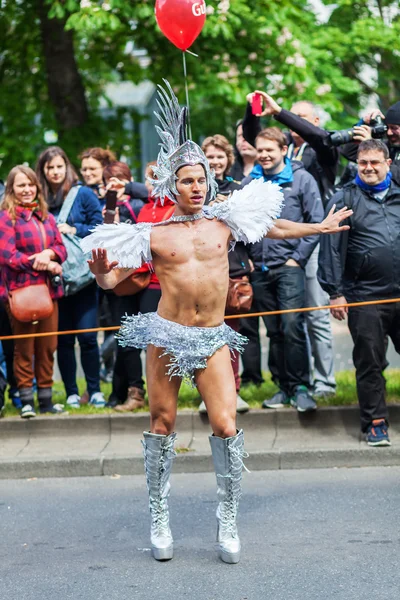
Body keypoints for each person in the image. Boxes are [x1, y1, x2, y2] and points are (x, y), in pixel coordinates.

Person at [82, 82, 351, 565]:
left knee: (226, 425)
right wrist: (102, 271)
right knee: (162, 423)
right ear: (173, 186)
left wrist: (318, 227)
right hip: (165, 334)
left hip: (211, 335)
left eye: (202, 178)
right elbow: (112, 283)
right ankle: (159, 513)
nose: (197, 186)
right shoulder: (152, 232)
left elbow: (273, 226)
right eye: (187, 180)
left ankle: (228, 515)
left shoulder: (226, 219)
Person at [319, 139, 400, 446]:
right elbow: (331, 249)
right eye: (363, 163)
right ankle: (375, 422)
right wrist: (335, 293)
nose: (367, 168)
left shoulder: (398, 195)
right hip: (365, 297)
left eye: (374, 163)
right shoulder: (344, 199)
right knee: (370, 361)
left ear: (387, 164)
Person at [241, 127, 324, 411]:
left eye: (269, 150)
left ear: (283, 150)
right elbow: (240, 225)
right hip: (260, 270)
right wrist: (249, 259)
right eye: (260, 150)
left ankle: (301, 386)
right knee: (273, 331)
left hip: (289, 267)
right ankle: (282, 387)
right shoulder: (249, 183)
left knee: (292, 326)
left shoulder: (302, 179)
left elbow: (316, 223)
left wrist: (297, 259)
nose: (263, 155)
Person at [36, 146, 104, 409]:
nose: (55, 172)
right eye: (49, 167)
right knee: (63, 339)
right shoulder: (38, 199)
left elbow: (100, 227)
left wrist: (74, 229)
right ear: (42, 170)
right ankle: (71, 393)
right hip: (54, 278)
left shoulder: (83, 194)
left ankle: (95, 390)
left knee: (87, 336)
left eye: (59, 166)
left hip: (84, 278)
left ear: (67, 167)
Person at [102, 160, 171, 411]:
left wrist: (129, 187)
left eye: (155, 178)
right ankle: (135, 392)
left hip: (159, 282)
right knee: (129, 337)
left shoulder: (174, 208)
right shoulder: (146, 209)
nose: (150, 184)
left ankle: (161, 393)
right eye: (148, 178)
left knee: (156, 341)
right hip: (134, 278)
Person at [0, 166, 67, 418]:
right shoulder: (6, 218)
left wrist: (50, 254)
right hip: (20, 292)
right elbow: (8, 257)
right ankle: (26, 399)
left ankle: (47, 400)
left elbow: (61, 247)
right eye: (20, 185)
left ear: (37, 187)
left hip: (48, 292)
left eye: (30, 185)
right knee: (24, 349)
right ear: (11, 189)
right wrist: (41, 262)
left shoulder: (46, 217)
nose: (27, 190)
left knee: (48, 347)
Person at [202, 134, 251, 413]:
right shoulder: (194, 189)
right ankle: (207, 392)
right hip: (202, 271)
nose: (215, 161)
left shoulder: (238, 188)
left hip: (232, 270)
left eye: (220, 156)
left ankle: (233, 390)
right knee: (205, 334)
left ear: (228, 160)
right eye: (210, 156)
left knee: (231, 334)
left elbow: (252, 230)